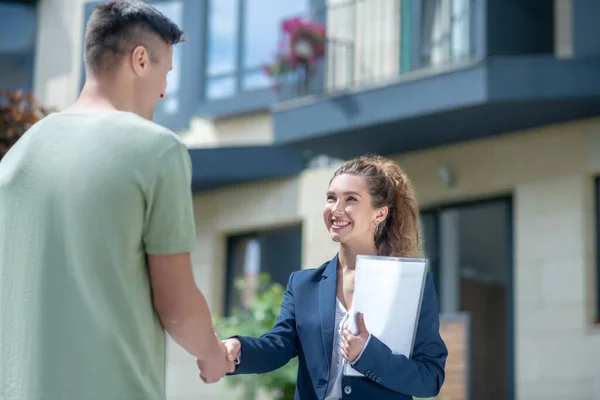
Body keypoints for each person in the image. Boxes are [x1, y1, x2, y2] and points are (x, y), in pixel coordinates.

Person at [0, 1, 233, 399]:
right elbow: (176, 305)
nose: (163, 91)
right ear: (140, 60)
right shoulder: (157, 149)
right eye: (166, 74)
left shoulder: (16, 159)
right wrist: (213, 354)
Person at [209, 155, 448, 399]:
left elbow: (430, 378)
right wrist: (237, 350)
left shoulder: (407, 285)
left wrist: (368, 354)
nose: (336, 209)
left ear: (380, 214)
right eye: (331, 198)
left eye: (351, 199)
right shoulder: (302, 285)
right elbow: (277, 346)